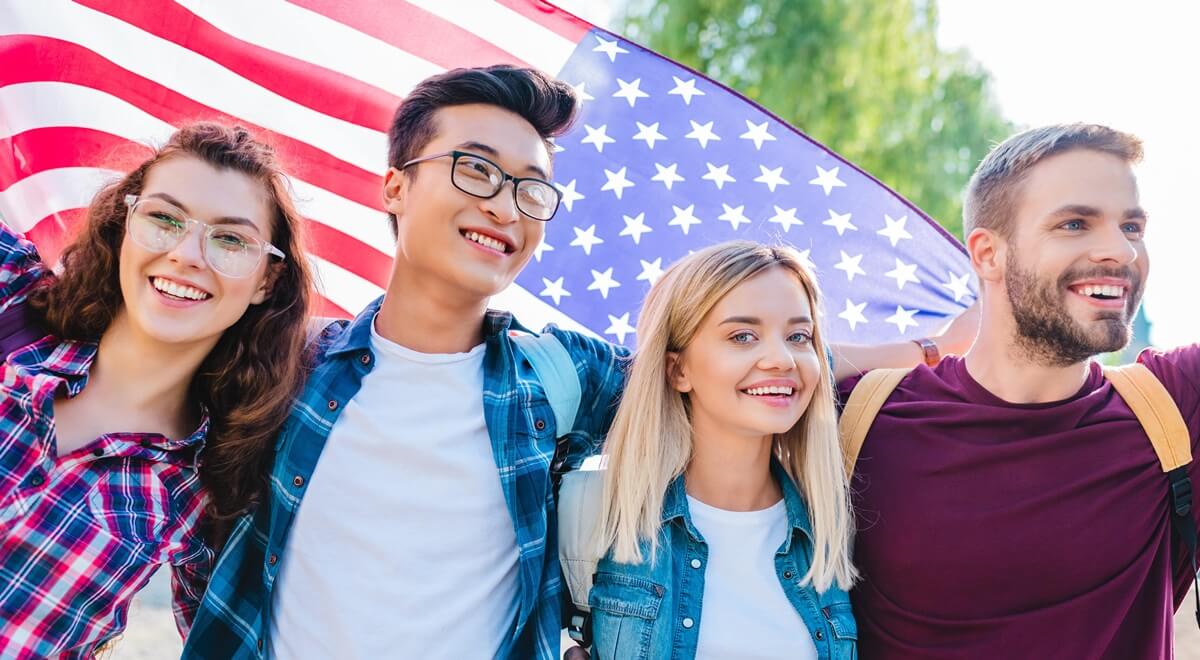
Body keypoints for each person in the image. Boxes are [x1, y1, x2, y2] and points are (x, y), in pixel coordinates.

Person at [184, 65, 977, 660]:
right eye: (476, 170)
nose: (504, 205)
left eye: (532, 190)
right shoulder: (285, 371)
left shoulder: (554, 378)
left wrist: (942, 345)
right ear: (395, 186)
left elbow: (723, 357)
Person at [840, 123, 1199, 658]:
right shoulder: (860, 414)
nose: (1121, 252)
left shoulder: (1174, 406)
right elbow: (691, 362)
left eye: (1132, 226)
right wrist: (927, 348)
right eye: (1075, 223)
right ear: (987, 254)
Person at [0, 122, 314, 659]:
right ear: (125, 223)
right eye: (163, 219)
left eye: (231, 239)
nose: (187, 254)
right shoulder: (12, 302)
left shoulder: (205, 497)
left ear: (267, 281)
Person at [584, 241, 857, 660]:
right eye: (743, 336)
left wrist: (936, 345)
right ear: (678, 370)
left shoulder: (834, 530)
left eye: (799, 336)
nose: (782, 359)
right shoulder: (597, 512)